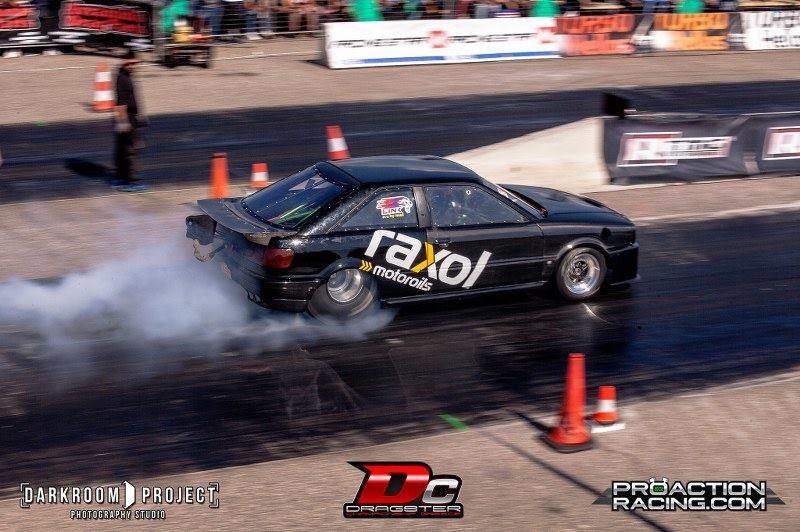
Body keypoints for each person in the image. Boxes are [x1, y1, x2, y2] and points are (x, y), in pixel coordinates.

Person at [113, 57, 148, 192]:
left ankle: (120, 177)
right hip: (127, 119)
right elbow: (121, 103)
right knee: (130, 150)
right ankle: (131, 181)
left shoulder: (125, 76)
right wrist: (124, 124)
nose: (134, 66)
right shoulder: (122, 79)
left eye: (135, 63)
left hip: (129, 118)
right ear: (124, 64)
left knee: (122, 149)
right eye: (130, 63)